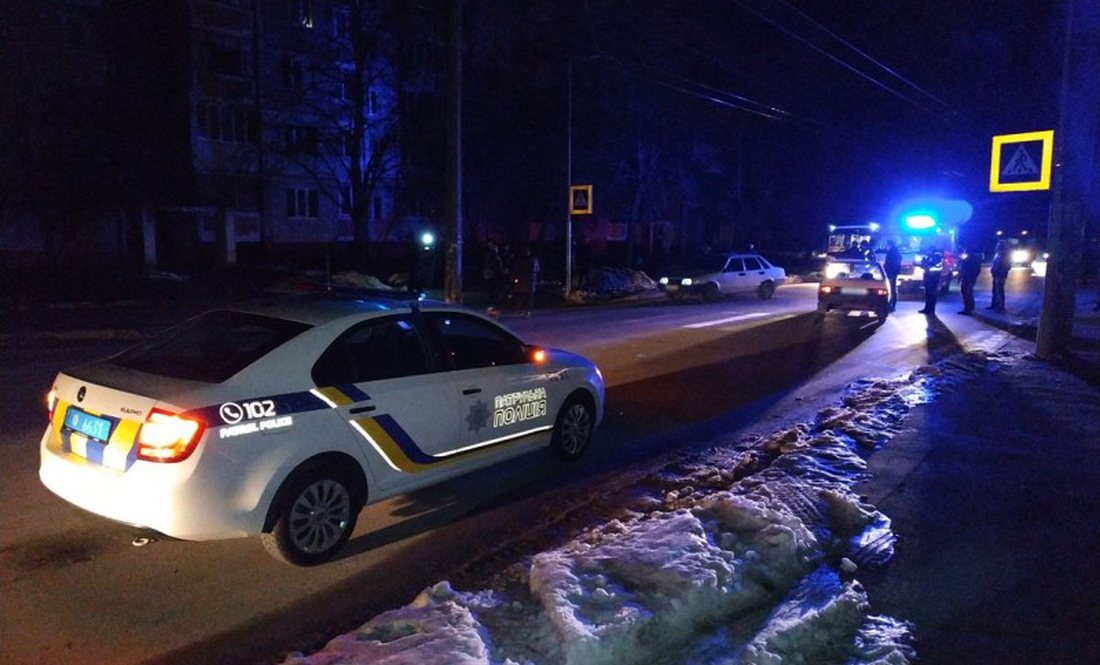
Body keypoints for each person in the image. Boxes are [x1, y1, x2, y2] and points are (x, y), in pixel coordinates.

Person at [511, 246, 540, 316]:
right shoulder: (533, 260)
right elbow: (537, 269)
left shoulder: (520, 261)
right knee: (528, 296)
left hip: (522, 281)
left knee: (521, 295)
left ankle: (522, 309)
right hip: (529, 280)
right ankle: (527, 310)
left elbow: (516, 270)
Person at [957, 247, 983, 314]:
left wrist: (970, 277)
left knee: (967, 292)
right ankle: (968, 308)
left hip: (969, 278)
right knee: (966, 292)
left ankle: (969, 308)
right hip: (967, 277)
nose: (964, 252)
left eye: (965, 251)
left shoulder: (973, 259)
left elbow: (973, 270)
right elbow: (963, 268)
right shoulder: (970, 258)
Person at [918, 245, 943, 315]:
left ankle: (931, 309)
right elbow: (923, 263)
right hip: (927, 276)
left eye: (929, 250)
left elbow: (933, 264)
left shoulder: (937, 256)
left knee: (932, 293)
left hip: (934, 277)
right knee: (927, 293)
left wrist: (927, 265)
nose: (927, 251)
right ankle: (927, 308)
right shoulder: (928, 256)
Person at [989, 240, 1011, 312]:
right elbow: (995, 264)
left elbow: (1007, 266)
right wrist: (993, 270)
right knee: (995, 290)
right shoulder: (998, 254)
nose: (998, 246)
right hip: (996, 274)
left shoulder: (1005, 255)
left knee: (1000, 290)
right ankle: (995, 304)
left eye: (999, 245)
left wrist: (1000, 271)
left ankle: (1001, 306)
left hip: (1000, 275)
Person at [883, 239, 902, 311]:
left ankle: (892, 305)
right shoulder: (894, 252)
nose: (886, 247)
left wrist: (890, 275)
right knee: (891, 289)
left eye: (887, 245)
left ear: (889, 245)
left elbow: (892, 264)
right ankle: (891, 305)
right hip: (891, 273)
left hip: (891, 274)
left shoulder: (893, 252)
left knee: (892, 289)